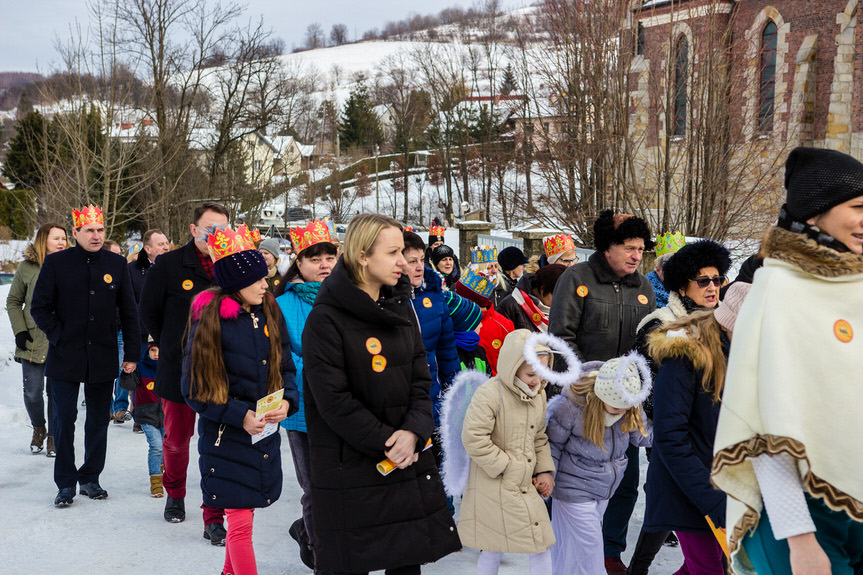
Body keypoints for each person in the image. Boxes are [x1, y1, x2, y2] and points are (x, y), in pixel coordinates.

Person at [712, 147, 863, 575]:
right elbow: (764, 427)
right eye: (857, 207)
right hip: (798, 515)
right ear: (816, 213)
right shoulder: (778, 290)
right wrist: (800, 541)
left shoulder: (856, 287)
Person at [302, 213, 461, 574]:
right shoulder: (326, 319)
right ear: (362, 256)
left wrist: (415, 431)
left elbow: (422, 379)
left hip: (404, 463)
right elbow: (333, 401)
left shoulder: (399, 305)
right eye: (392, 253)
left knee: (406, 562)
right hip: (351, 470)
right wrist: (391, 440)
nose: (403, 263)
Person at [182, 224, 298, 575]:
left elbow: (286, 364)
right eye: (259, 279)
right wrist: (239, 415)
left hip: (263, 434)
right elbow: (194, 388)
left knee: (244, 515)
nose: (267, 284)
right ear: (236, 282)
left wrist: (288, 401)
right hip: (226, 439)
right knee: (240, 522)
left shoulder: (268, 311)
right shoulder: (210, 320)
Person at [548, 209, 655, 573]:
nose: (636, 255)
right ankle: (570, 551)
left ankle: (610, 551)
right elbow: (561, 339)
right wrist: (588, 387)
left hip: (627, 402)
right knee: (576, 478)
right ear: (608, 247)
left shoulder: (643, 287)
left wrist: (636, 391)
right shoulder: (576, 278)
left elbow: (646, 347)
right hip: (584, 401)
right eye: (629, 247)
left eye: (641, 249)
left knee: (624, 478)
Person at [30, 205, 140, 507]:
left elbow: (130, 312)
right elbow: (39, 307)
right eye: (89, 230)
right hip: (65, 356)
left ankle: (90, 477)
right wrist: (59, 335)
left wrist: (132, 352)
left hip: (103, 355)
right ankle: (65, 482)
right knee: (64, 418)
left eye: (100, 230)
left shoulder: (116, 264)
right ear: (75, 232)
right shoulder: (56, 263)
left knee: (97, 421)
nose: (96, 235)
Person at [636, 283, 749, 575]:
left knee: (701, 569)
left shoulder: (743, 354)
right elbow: (670, 437)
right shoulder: (685, 355)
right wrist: (712, 499)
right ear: (730, 324)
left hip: (727, 488)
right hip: (687, 488)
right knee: (710, 570)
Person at [139, 201, 229, 540]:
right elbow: (148, 309)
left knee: (216, 443)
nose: (216, 236)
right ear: (194, 230)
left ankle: (214, 513)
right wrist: (171, 342)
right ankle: (175, 495)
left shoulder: (232, 263)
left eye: (223, 229)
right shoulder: (169, 264)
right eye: (210, 229)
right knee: (177, 441)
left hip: (222, 370)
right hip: (179, 368)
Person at [457, 329, 556, 575]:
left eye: (541, 373)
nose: (536, 380)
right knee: (493, 545)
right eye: (531, 373)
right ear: (513, 367)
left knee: (540, 541)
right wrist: (506, 465)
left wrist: (544, 470)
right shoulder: (490, 394)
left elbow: (539, 436)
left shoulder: (538, 396)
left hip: (524, 484)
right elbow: (474, 437)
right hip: (494, 483)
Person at [546, 353, 652, 575]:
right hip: (571, 488)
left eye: (626, 408)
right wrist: (547, 475)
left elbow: (642, 436)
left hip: (603, 490)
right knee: (591, 548)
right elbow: (552, 444)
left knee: (569, 549)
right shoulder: (572, 406)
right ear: (601, 397)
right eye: (615, 408)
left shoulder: (628, 403)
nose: (621, 412)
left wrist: (674, 429)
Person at [275, 218, 338, 570]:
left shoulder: (351, 297)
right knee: (314, 487)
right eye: (314, 258)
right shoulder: (283, 305)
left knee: (343, 484)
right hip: (303, 409)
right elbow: (281, 356)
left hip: (346, 407)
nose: (324, 264)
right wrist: (327, 366)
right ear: (298, 263)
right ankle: (319, 553)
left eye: (329, 256)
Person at [6, 222, 67, 456]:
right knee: (32, 393)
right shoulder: (27, 268)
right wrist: (20, 331)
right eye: (56, 238)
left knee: (57, 392)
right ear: (43, 240)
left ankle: (53, 436)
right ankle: (38, 427)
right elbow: (13, 301)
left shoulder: (71, 266)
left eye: (64, 238)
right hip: (32, 339)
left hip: (61, 340)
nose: (62, 242)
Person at [404, 231, 460, 429]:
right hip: (402, 408)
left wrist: (456, 393)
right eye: (411, 261)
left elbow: (447, 351)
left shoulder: (434, 295)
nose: (420, 267)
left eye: (421, 259)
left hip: (434, 398)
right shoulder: (384, 300)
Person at [125, 228, 170, 433]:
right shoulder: (133, 269)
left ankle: (164, 413)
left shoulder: (172, 268)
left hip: (167, 332)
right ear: (148, 248)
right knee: (142, 376)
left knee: (164, 373)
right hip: (141, 332)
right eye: (161, 244)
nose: (166, 247)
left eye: (167, 243)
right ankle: (140, 415)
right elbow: (127, 301)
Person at [454, 267, 514, 375]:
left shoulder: (504, 325)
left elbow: (511, 363)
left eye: (460, 298)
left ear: (469, 301)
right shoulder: (454, 321)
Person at [497, 263, 567, 332]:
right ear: (543, 291)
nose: (563, 302)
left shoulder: (565, 309)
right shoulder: (510, 306)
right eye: (559, 297)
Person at [135, 342, 165, 497]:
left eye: (159, 350)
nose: (156, 353)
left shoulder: (167, 366)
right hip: (146, 413)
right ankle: (156, 482)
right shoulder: (140, 367)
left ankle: (162, 471)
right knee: (156, 446)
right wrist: (127, 372)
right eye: (153, 350)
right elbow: (127, 384)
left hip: (165, 414)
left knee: (166, 446)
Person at [442, 291, 491, 375]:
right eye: (476, 323)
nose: (481, 325)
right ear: (464, 327)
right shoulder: (445, 356)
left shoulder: (479, 351)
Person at [648, 232, 686, 309]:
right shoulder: (646, 289)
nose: (675, 271)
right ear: (658, 269)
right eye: (668, 266)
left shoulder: (689, 287)